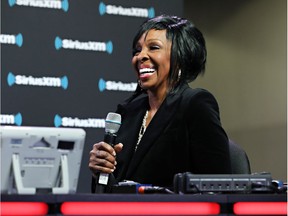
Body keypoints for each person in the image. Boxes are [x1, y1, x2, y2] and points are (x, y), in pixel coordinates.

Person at [89, 14, 232, 193]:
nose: (140, 56)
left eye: (153, 48)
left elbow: (218, 186)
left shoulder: (195, 105)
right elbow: (116, 189)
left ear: (181, 57)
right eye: (137, 51)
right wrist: (101, 171)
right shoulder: (128, 111)